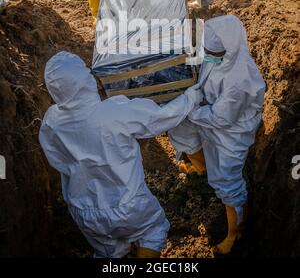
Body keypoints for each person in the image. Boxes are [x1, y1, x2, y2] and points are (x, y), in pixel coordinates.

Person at [39, 51, 202, 258]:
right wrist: (190, 98)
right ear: (84, 80)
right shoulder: (114, 112)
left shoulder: (51, 121)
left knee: (109, 252)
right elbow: (161, 117)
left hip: (83, 210)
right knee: (153, 231)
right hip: (127, 204)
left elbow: (57, 159)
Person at [168, 15, 265, 254]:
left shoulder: (239, 80)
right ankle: (201, 171)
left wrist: (190, 110)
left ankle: (235, 232)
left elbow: (222, 118)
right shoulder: (219, 53)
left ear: (229, 50)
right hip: (208, 114)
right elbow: (204, 67)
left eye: (213, 52)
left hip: (231, 132)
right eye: (206, 50)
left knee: (227, 178)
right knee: (181, 131)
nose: (208, 54)